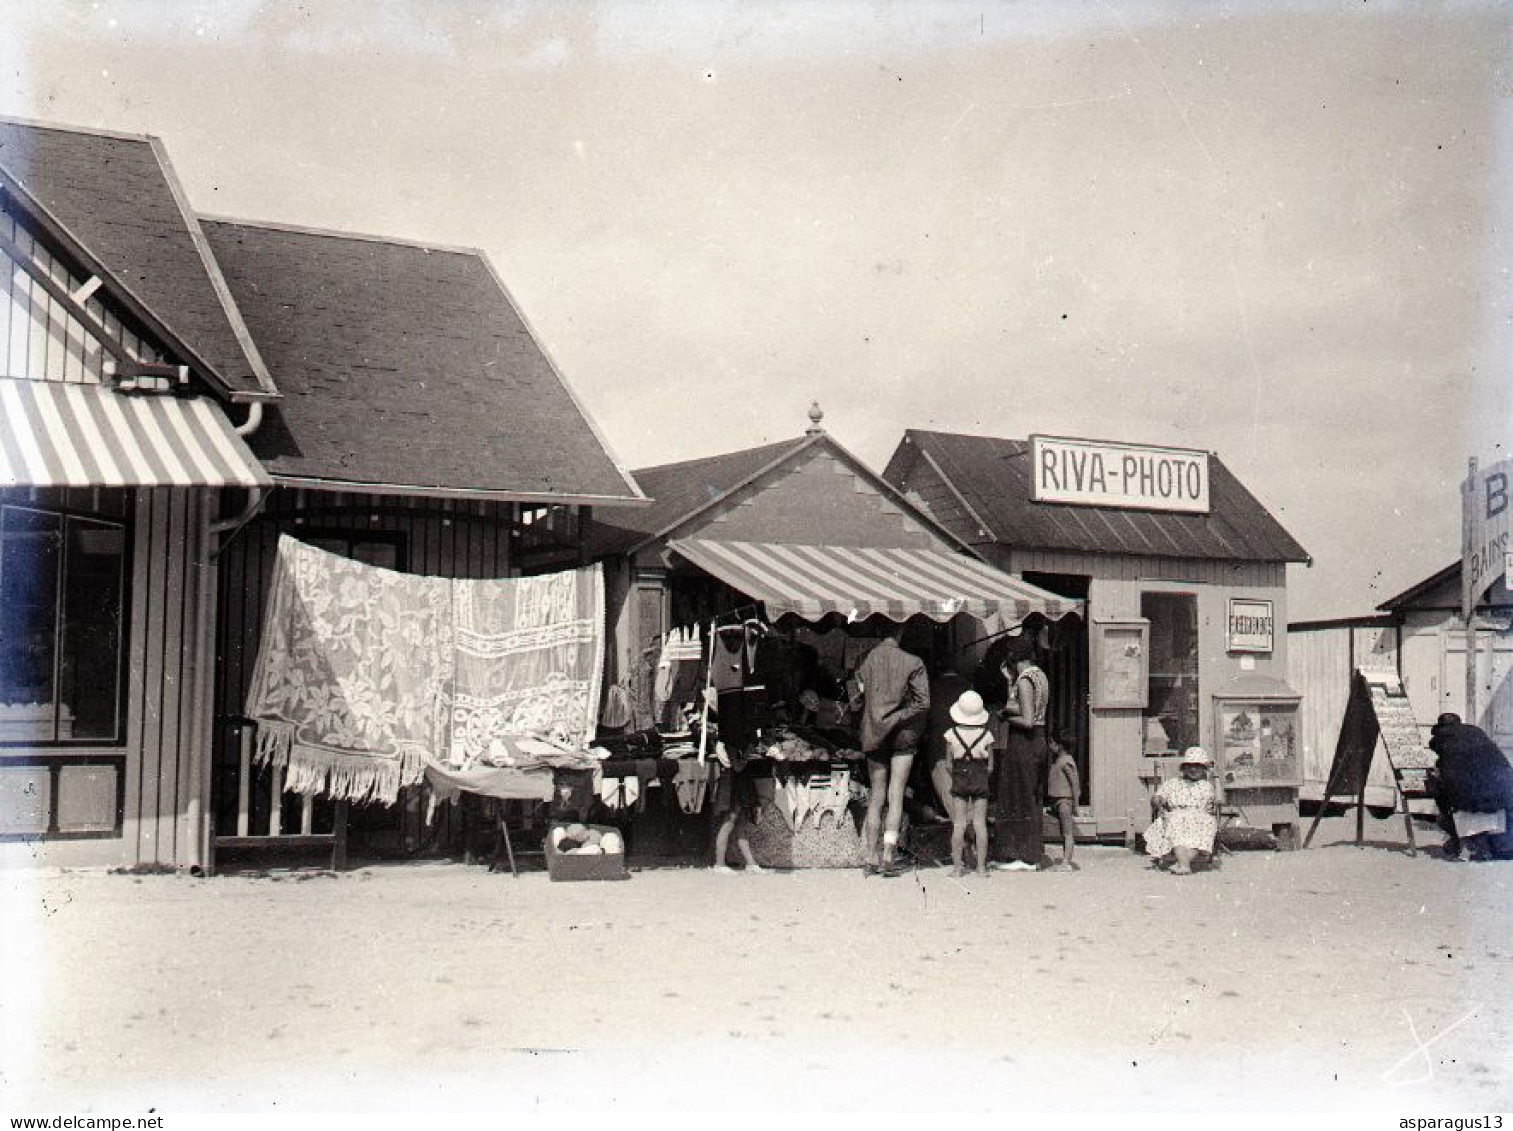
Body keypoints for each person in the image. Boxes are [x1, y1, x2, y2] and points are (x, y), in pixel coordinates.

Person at [855, 625, 930, 876]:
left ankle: (870, 857)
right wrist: (899, 716)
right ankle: (889, 854)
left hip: (874, 731)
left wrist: (877, 714)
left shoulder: (865, 660)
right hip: (903, 734)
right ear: (901, 633)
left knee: (876, 795)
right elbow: (923, 702)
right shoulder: (913, 661)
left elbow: (855, 699)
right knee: (896, 793)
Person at [994, 631, 1050, 871]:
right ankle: (1032, 851)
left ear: (1014, 658)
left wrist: (1005, 715)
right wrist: (1008, 682)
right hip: (1039, 739)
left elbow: (1026, 719)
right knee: (1031, 796)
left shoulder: (1025, 680)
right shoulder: (1040, 677)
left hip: (1024, 741)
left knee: (1017, 796)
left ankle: (1019, 854)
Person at [1428, 713, 1513, 862]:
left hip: (1475, 800)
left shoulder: (1446, 744)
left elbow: (1452, 783)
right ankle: (1479, 844)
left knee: (1444, 801)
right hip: (1503, 794)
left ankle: (1471, 844)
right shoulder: (1476, 733)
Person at [943, 690, 996, 877]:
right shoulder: (987, 735)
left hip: (959, 777)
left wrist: (958, 775)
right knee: (980, 824)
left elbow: (948, 764)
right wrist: (980, 776)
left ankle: (957, 868)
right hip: (980, 777)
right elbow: (990, 766)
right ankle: (981, 868)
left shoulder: (951, 734)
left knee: (959, 824)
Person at [1144, 746, 1220, 875]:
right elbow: (1158, 797)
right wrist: (1158, 800)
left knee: (1206, 826)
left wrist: (1216, 776)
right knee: (1175, 822)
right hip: (1177, 814)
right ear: (1183, 768)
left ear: (1204, 768)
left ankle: (1182, 863)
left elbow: (1220, 801)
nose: (1193, 769)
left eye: (1198, 765)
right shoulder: (1173, 783)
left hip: (1200, 816)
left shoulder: (1207, 785)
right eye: (1189, 765)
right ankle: (1184, 864)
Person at [923, 657, 974, 821]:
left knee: (950, 797)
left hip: (939, 747)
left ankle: (966, 835)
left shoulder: (931, 687)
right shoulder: (967, 687)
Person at [711, 741, 765, 874]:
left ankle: (751, 863)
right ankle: (719, 863)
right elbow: (737, 766)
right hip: (732, 786)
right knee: (729, 823)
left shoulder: (732, 743)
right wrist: (748, 751)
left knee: (741, 825)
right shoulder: (725, 744)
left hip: (740, 785)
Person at [1045, 738, 1081, 871]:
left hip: (1064, 801)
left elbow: (1074, 783)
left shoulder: (1066, 761)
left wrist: (1075, 805)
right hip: (1057, 800)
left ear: (1059, 746)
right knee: (1063, 832)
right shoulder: (1058, 761)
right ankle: (1065, 860)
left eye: (1052, 743)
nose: (1049, 746)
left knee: (1067, 832)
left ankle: (1066, 862)